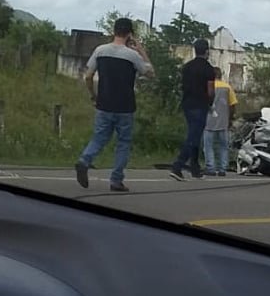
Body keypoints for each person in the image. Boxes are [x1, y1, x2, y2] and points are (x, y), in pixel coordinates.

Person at [75, 18, 154, 192]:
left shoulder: (100, 50)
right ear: (130, 34)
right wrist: (142, 50)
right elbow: (150, 72)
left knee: (99, 138)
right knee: (123, 143)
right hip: (125, 106)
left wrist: (93, 95)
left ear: (114, 30)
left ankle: (84, 160)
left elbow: (88, 76)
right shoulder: (132, 55)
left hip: (104, 103)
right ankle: (116, 180)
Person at [170, 39, 216, 181]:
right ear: (207, 51)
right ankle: (178, 165)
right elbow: (210, 91)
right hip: (200, 105)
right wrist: (210, 103)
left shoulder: (187, 67)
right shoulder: (208, 69)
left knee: (194, 133)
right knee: (194, 137)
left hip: (187, 103)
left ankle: (195, 168)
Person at [203, 67, 237, 177]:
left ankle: (211, 167)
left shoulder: (205, 87)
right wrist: (230, 119)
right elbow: (232, 105)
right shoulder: (227, 87)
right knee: (223, 146)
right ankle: (222, 169)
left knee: (208, 146)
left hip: (208, 121)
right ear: (220, 75)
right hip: (223, 121)